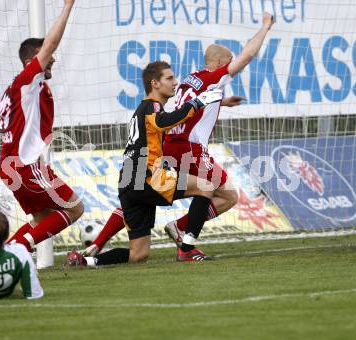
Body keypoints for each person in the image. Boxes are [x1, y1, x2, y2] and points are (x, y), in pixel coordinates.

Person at [80, 12, 275, 259]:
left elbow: (187, 106)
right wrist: (265, 27)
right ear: (216, 63)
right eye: (228, 61)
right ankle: (183, 234)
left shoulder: (188, 82)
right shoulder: (212, 77)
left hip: (168, 145)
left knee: (138, 194)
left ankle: (95, 247)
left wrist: (222, 103)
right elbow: (248, 55)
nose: (231, 64)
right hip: (188, 147)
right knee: (227, 195)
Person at [67, 60, 224, 266]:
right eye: (169, 78)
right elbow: (164, 122)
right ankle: (187, 249)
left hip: (129, 179)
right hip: (147, 174)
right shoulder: (152, 105)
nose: (175, 83)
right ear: (155, 84)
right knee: (206, 186)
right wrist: (196, 103)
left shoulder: (145, 108)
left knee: (138, 254)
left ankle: (86, 261)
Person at [0, 0, 83, 252]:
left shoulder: (20, 88)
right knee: (74, 207)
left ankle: (6, 253)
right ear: (32, 61)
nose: (53, 58)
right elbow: (51, 44)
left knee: (41, 220)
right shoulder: (27, 80)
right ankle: (19, 249)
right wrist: (68, 5)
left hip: (11, 166)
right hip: (24, 167)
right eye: (46, 56)